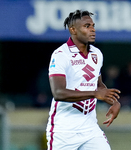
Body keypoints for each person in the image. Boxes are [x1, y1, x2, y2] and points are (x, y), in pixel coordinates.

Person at [46, 10, 121, 150]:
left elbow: (98, 86)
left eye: (93, 25)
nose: (93, 29)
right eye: (87, 26)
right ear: (73, 30)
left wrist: (114, 101)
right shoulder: (61, 55)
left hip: (90, 129)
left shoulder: (97, 54)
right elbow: (58, 93)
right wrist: (94, 94)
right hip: (64, 131)